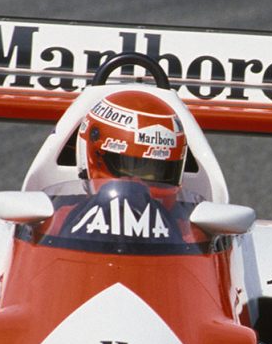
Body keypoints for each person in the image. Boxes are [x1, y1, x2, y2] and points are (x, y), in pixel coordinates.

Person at [54, 89, 203, 245]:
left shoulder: (190, 233)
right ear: (95, 158)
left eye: (154, 172)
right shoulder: (59, 219)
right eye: (129, 169)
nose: (137, 186)